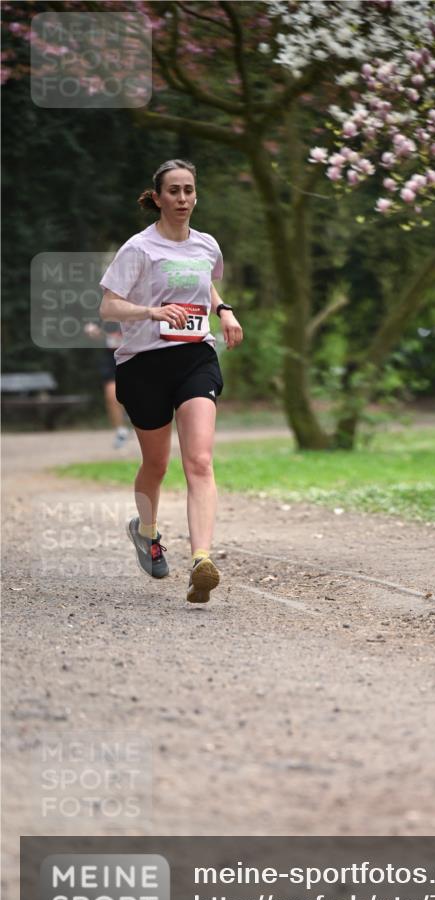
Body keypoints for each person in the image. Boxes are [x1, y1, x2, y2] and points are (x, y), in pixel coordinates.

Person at [98, 158, 243, 603]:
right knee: (156, 465)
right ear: (157, 197)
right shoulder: (138, 249)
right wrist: (151, 312)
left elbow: (204, 286)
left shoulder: (206, 245)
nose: (182, 198)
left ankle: (202, 559)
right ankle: (147, 532)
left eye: (188, 190)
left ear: (196, 195)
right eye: (173, 191)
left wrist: (224, 310)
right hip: (143, 363)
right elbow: (108, 307)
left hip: (195, 357)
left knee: (199, 459)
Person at [84, 319, 129, 448]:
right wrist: (91, 330)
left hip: (137, 357)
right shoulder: (109, 314)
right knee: (111, 394)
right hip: (113, 359)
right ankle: (121, 430)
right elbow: (92, 328)